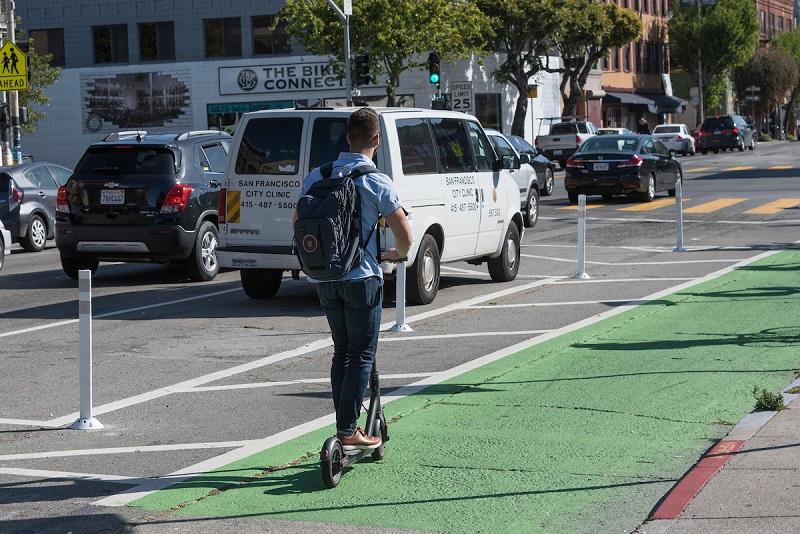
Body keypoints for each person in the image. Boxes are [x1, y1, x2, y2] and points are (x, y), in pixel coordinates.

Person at [298, 107, 413, 450]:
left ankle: (345, 424)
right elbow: (405, 234)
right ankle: (348, 431)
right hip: (362, 277)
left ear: (347, 137)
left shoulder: (317, 176)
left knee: (342, 353)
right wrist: (398, 254)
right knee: (362, 354)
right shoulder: (376, 181)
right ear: (377, 139)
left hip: (325, 276)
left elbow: (297, 222)